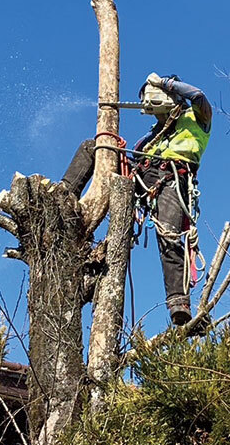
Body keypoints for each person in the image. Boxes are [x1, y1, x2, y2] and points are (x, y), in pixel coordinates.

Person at [61, 73, 212, 326]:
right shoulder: (151, 137)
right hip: (141, 176)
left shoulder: (196, 118)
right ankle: (63, 196)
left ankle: (178, 303)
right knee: (94, 146)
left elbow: (198, 95)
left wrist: (164, 83)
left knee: (168, 236)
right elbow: (132, 156)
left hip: (172, 178)